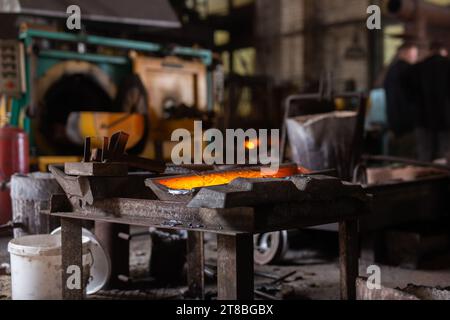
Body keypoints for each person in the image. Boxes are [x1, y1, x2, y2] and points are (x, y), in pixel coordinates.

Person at [413, 41, 450, 161]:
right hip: (445, 118)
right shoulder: (447, 65)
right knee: (445, 153)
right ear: (442, 51)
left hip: (423, 118)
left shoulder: (418, 67)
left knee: (425, 154)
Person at [383, 43, 419, 156]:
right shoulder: (409, 70)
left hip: (393, 123)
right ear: (406, 53)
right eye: (414, 54)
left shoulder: (390, 71)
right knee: (408, 159)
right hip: (408, 124)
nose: (415, 57)